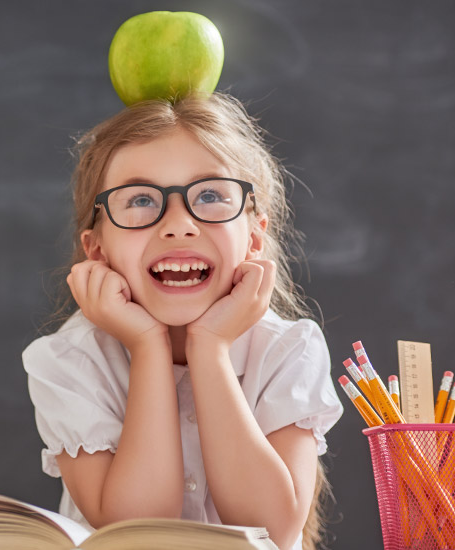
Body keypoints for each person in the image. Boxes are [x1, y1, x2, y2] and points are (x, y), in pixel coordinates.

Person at [24, 92, 342, 550]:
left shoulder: (287, 349)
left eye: (210, 195)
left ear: (254, 237)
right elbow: (134, 534)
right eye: (139, 199)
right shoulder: (69, 362)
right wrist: (148, 346)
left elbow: (274, 532)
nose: (178, 225)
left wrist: (209, 348)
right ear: (97, 249)